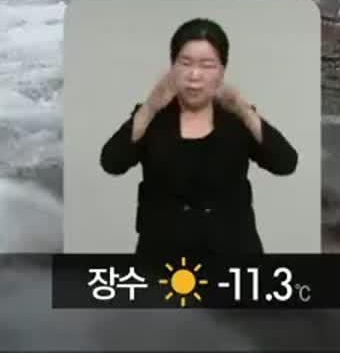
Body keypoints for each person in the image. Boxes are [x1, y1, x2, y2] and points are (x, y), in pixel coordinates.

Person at [98, 18, 300, 258]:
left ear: (222, 71)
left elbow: (285, 163)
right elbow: (112, 162)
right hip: (162, 258)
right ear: (172, 67)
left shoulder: (237, 119)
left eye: (207, 65)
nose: (194, 75)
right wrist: (151, 106)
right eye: (185, 63)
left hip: (232, 256)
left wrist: (244, 110)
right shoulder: (151, 118)